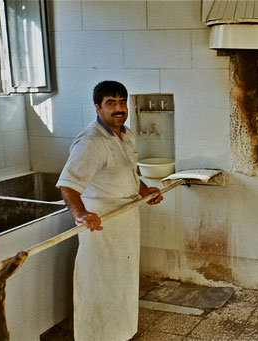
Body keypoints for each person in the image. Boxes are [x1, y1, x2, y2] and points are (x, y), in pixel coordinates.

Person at [56, 80, 163, 341]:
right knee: (99, 282)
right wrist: (81, 214)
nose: (118, 108)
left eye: (122, 101)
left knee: (122, 280)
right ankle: (95, 336)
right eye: (110, 103)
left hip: (125, 217)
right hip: (101, 222)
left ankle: (122, 333)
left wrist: (143, 190)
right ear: (97, 108)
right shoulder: (91, 142)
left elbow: (127, 170)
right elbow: (68, 185)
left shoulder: (126, 134)